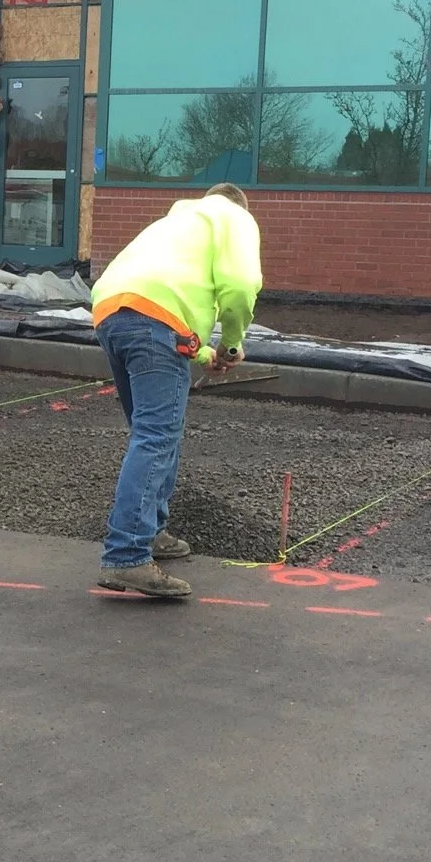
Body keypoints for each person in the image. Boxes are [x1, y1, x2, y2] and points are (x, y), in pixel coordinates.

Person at [89, 182, 263, 598]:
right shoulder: (234, 216)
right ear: (238, 203)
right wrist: (232, 344)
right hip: (154, 322)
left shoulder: (178, 222)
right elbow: (240, 286)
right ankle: (127, 555)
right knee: (156, 436)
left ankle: (150, 532)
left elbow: (169, 310)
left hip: (112, 314)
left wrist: (205, 355)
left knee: (152, 433)